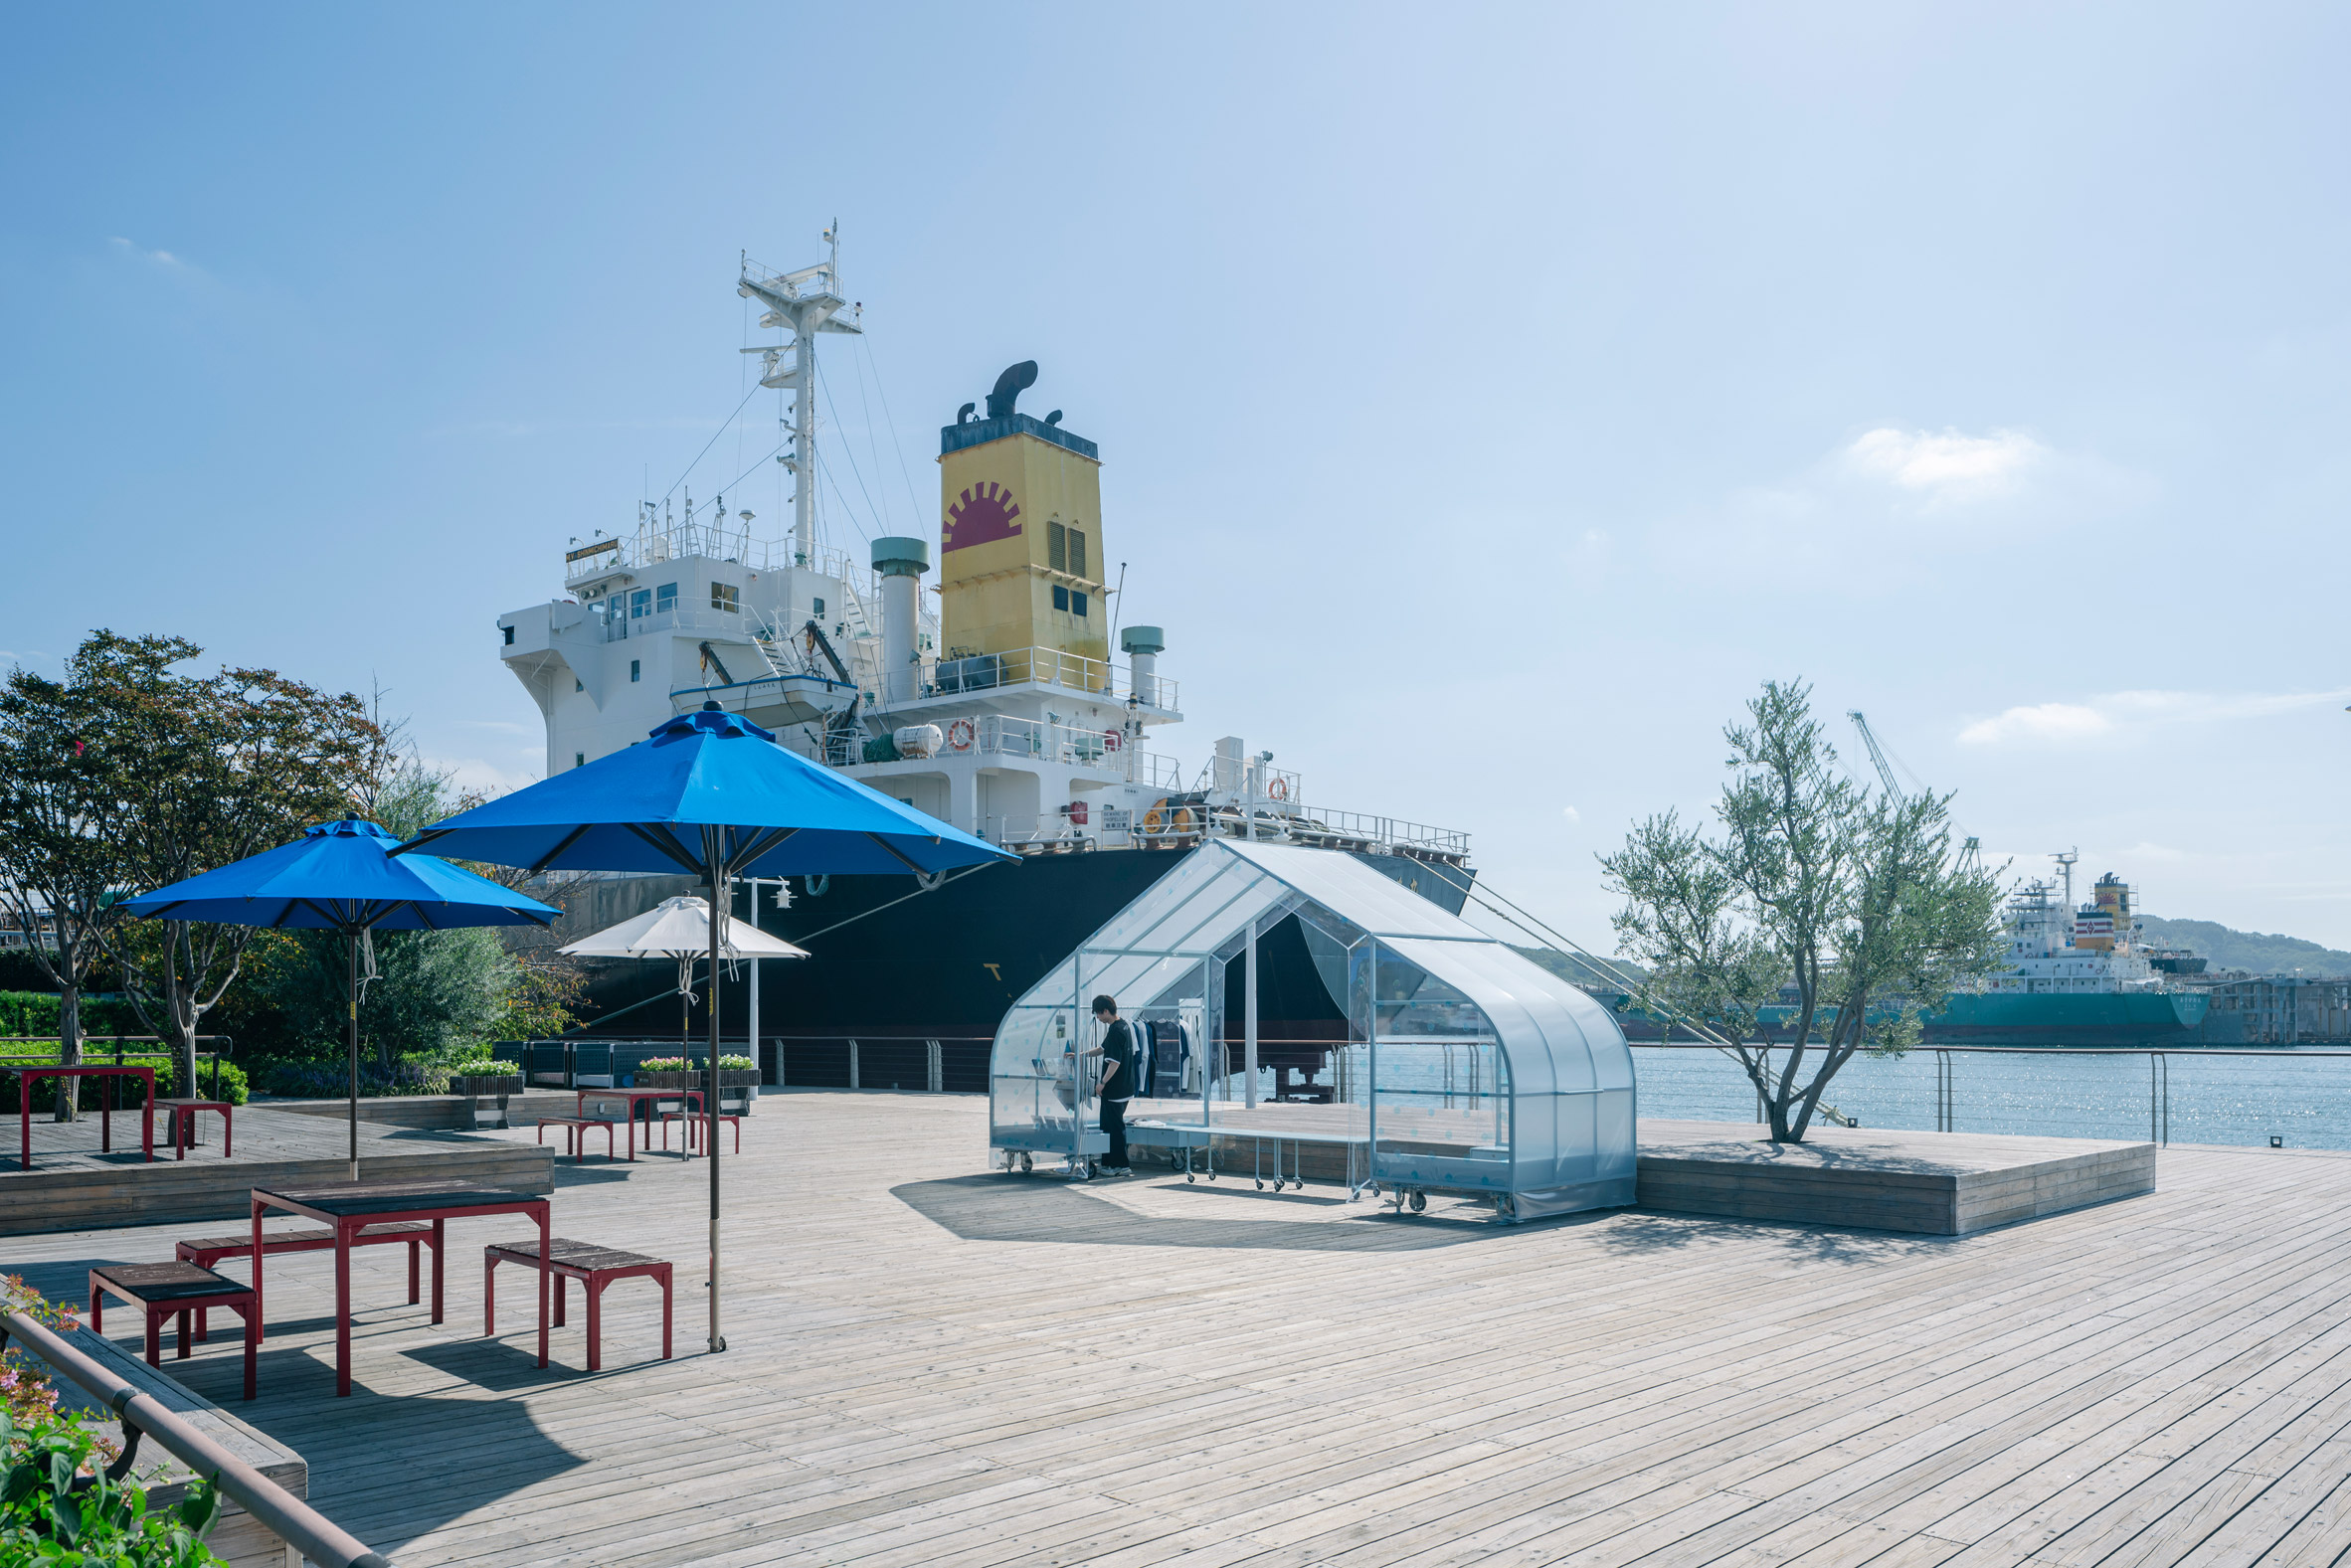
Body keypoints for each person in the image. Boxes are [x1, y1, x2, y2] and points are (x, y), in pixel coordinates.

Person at [1092, 994, 1134, 1177]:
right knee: (1111, 1125)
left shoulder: (1116, 1031)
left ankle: (1120, 1165)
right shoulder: (1122, 1025)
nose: (1098, 1018)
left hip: (1115, 1089)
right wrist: (1082, 1054)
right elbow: (1103, 1048)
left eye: (1098, 1014)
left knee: (1113, 1127)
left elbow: (1114, 1062)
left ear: (1106, 1011)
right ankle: (1110, 1164)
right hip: (1124, 1087)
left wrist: (1102, 1083)